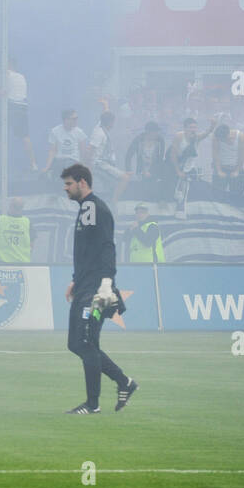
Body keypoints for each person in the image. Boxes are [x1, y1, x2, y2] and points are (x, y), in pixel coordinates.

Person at [60, 163, 137, 415]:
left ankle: (92, 404)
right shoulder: (86, 208)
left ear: (83, 182)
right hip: (85, 285)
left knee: (84, 342)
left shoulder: (92, 206)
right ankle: (124, 382)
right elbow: (87, 250)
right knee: (78, 343)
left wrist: (105, 283)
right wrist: (76, 278)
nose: (66, 188)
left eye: (69, 183)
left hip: (96, 290)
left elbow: (106, 246)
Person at [0, 56, 38, 172]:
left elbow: (2, 91)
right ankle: (33, 164)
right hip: (22, 107)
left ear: (9, 64)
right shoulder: (21, 77)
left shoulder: (7, 74)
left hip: (10, 107)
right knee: (25, 136)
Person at [86, 111, 132, 202]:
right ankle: (114, 201)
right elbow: (90, 149)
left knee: (124, 176)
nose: (114, 124)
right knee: (125, 178)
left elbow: (105, 116)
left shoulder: (100, 126)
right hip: (99, 164)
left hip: (106, 163)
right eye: (114, 122)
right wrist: (88, 167)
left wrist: (105, 105)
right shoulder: (99, 134)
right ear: (110, 123)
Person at [123, 121, 168, 200]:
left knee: (154, 187)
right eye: (154, 132)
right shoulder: (138, 140)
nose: (156, 134)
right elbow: (128, 155)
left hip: (155, 168)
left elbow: (160, 159)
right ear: (148, 132)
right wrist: (128, 170)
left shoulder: (160, 140)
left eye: (157, 132)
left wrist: (152, 171)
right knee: (143, 189)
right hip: (141, 169)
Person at [43, 109, 88, 177]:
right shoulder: (55, 131)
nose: (76, 120)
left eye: (77, 118)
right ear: (66, 120)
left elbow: (83, 151)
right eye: (74, 118)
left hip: (73, 161)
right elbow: (52, 151)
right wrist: (47, 167)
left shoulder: (80, 132)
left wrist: (82, 166)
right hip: (59, 161)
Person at [0, 195, 31, 263]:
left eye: (18, 207)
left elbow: (31, 244)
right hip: (7, 262)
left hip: (21, 263)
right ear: (10, 206)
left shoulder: (27, 222)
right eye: (15, 206)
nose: (16, 208)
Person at [211, 123, 244, 197]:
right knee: (217, 194)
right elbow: (215, 155)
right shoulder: (216, 137)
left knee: (237, 195)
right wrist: (219, 170)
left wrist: (237, 171)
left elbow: (242, 155)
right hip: (222, 167)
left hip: (236, 167)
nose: (222, 141)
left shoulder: (240, 136)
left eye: (223, 140)